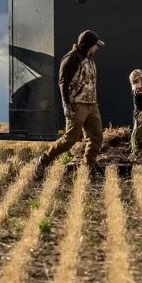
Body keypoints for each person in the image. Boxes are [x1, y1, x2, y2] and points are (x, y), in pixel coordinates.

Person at [33, 30, 105, 178]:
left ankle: (88, 167)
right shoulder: (71, 58)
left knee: (96, 137)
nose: (97, 48)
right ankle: (43, 160)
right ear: (88, 45)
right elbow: (63, 83)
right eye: (95, 45)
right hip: (76, 105)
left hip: (91, 104)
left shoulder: (89, 58)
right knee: (70, 140)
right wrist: (66, 104)